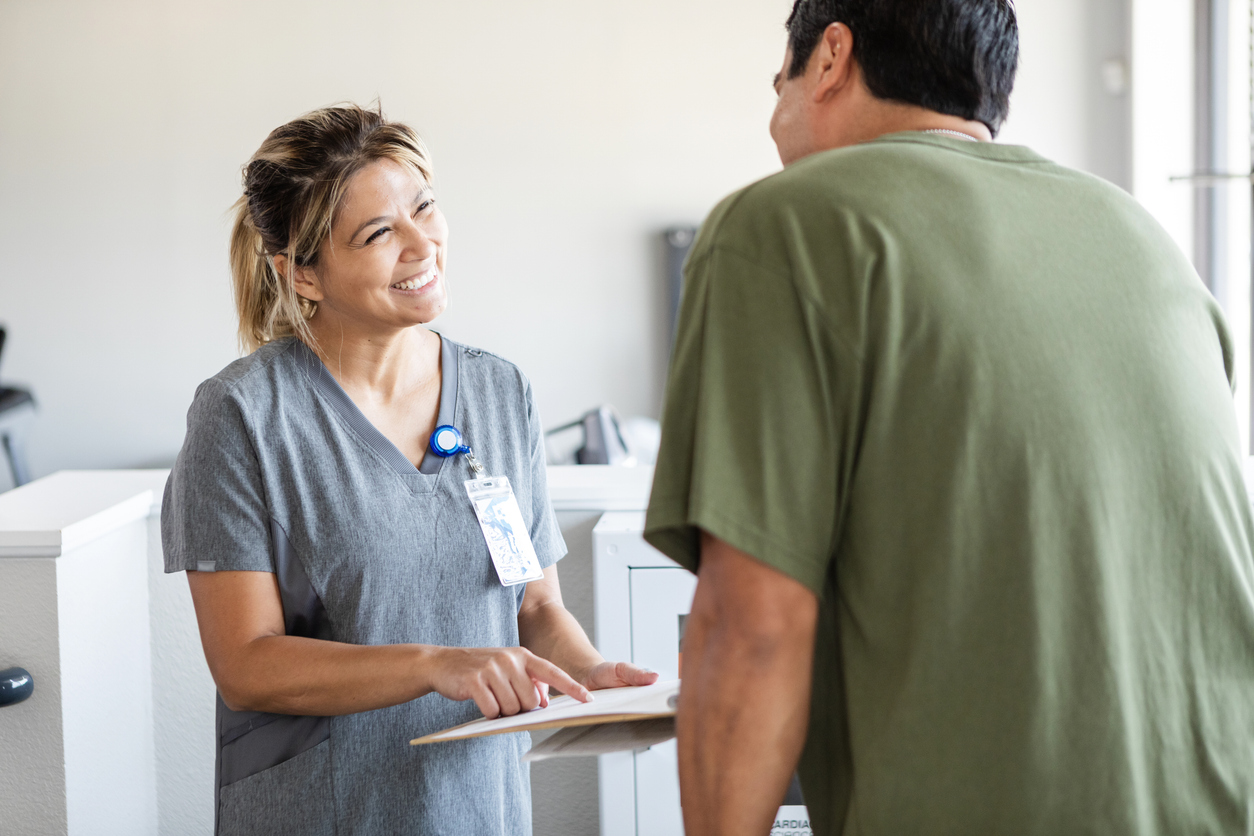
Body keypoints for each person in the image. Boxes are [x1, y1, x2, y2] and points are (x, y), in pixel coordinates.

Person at [644, 1, 1254, 834]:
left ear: (830, 58)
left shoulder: (781, 226)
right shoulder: (1145, 240)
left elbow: (752, 628)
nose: (774, 115)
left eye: (776, 80)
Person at [162, 103, 655, 836]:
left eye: (424, 207)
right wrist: (435, 664)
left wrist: (590, 673)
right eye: (378, 233)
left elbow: (534, 608)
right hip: (327, 811)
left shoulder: (499, 390)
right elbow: (246, 663)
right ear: (301, 274)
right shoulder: (241, 417)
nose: (423, 244)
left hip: (477, 807)